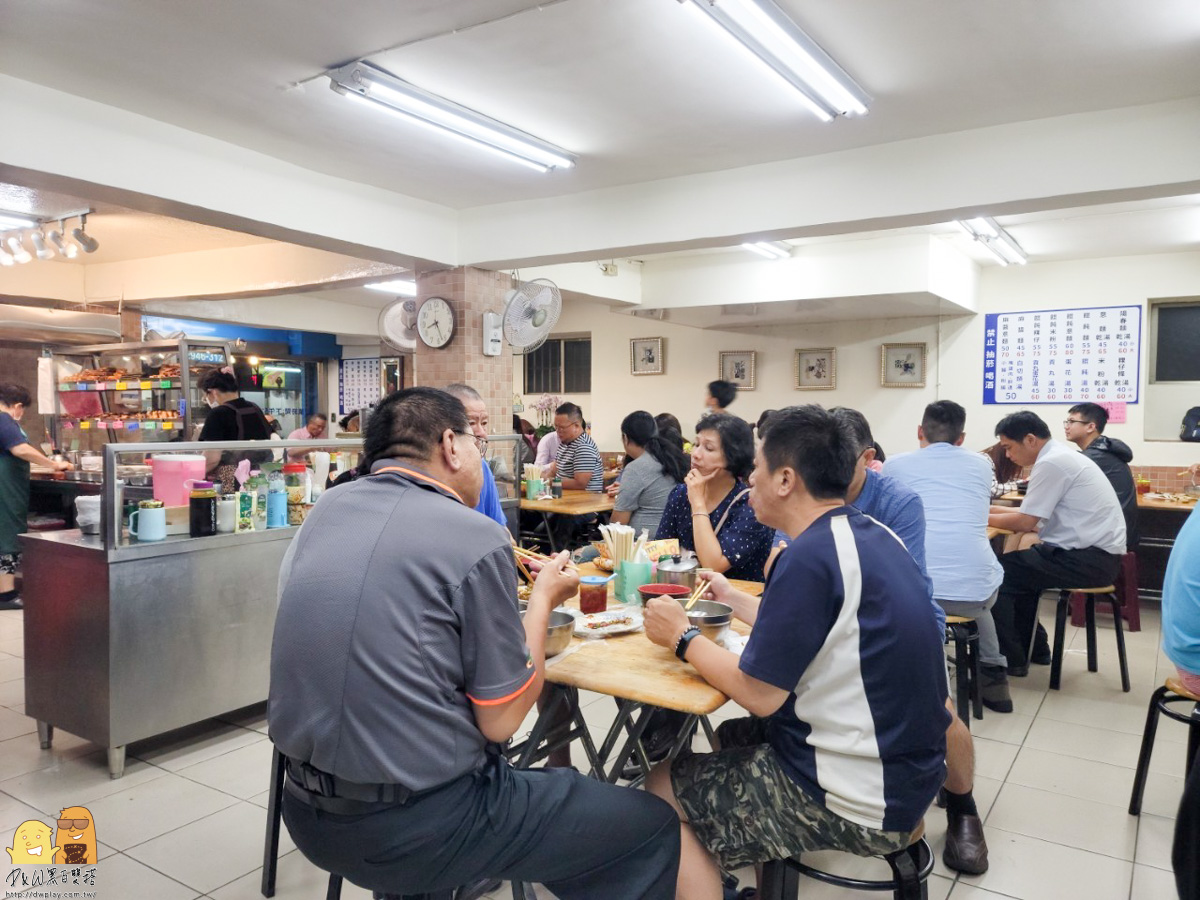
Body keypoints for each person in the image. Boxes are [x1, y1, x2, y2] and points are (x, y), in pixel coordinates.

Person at [269, 387, 679, 899]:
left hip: (306, 811)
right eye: (474, 436)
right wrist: (544, 598)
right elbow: (502, 718)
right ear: (450, 445)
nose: (479, 449)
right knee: (650, 825)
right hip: (426, 822)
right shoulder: (472, 534)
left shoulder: (326, 511)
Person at [642, 405, 949, 899]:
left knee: (657, 788)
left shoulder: (808, 556)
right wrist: (732, 597)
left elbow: (757, 692)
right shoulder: (865, 534)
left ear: (785, 479)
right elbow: (822, 631)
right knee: (732, 737)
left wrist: (682, 636)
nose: (750, 484)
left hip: (859, 795)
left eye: (757, 470)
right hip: (913, 771)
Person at [769, 407, 990, 874]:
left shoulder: (897, 500)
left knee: (936, 712)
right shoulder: (800, 488)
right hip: (829, 620)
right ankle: (801, 795)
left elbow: (904, 584)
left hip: (897, 622)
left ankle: (963, 807)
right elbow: (778, 564)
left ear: (867, 458)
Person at [885, 401, 1010, 713]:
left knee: (925, 593)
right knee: (976, 585)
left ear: (919, 431)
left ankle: (934, 691)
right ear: (962, 437)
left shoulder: (895, 466)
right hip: (977, 597)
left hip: (915, 598)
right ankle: (995, 682)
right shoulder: (982, 464)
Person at [987, 411, 1126, 675]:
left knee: (994, 574)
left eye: (1008, 447)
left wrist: (978, 514)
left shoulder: (1052, 463)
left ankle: (1010, 658)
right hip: (1095, 557)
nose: (1007, 455)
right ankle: (1035, 651)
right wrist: (983, 510)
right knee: (1018, 573)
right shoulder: (1059, 457)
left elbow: (1026, 522)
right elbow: (1029, 516)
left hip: (1086, 560)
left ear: (1029, 439)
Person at [656, 413, 773, 581]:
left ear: (732, 458)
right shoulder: (680, 494)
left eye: (708, 448)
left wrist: (697, 503)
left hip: (734, 601)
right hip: (684, 592)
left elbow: (713, 565)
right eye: (696, 444)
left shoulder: (750, 504)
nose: (695, 454)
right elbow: (661, 552)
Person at [0, 383, 73, 610]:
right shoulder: (4, 419)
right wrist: (53, 464)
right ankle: (6, 595)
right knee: (7, 537)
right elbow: (19, 449)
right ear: (18, 406)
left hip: (7, 486)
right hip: (5, 492)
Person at [1064, 402, 1139, 551]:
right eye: (1066, 422)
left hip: (1109, 537)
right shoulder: (1105, 450)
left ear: (1091, 427)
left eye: (1072, 421)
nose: (1066, 426)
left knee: (1030, 534)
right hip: (1117, 531)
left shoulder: (1095, 457)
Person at [608, 411, 689, 536]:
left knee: (580, 553)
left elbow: (618, 525)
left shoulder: (636, 467)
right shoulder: (671, 459)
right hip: (674, 542)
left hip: (642, 546)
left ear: (625, 437)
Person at [196, 366, 273, 492]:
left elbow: (212, 459)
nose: (206, 400)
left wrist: (189, 475)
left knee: (231, 509)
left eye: (206, 396)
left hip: (231, 481)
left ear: (213, 392)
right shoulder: (255, 408)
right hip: (258, 479)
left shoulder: (217, 413)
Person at [443, 384, 508, 529]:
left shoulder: (482, 468)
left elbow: (502, 533)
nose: (481, 433)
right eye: (471, 423)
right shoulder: (435, 472)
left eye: (484, 423)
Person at [545, 403, 603, 491]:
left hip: (583, 502)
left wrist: (550, 481)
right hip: (563, 498)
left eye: (562, 428)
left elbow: (580, 484)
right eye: (556, 427)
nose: (557, 431)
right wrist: (539, 479)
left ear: (576, 426)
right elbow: (553, 471)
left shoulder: (584, 446)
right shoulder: (564, 443)